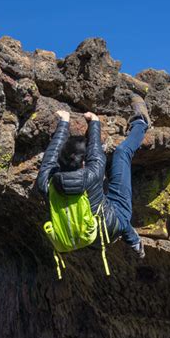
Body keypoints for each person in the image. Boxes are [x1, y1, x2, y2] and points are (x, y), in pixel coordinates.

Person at [37, 93, 151, 262]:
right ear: (83, 163)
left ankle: (134, 242)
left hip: (89, 239)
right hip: (112, 226)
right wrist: (94, 122)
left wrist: (63, 124)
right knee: (122, 153)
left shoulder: (47, 183)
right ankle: (141, 122)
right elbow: (95, 151)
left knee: (101, 204)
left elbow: (49, 158)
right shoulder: (92, 174)